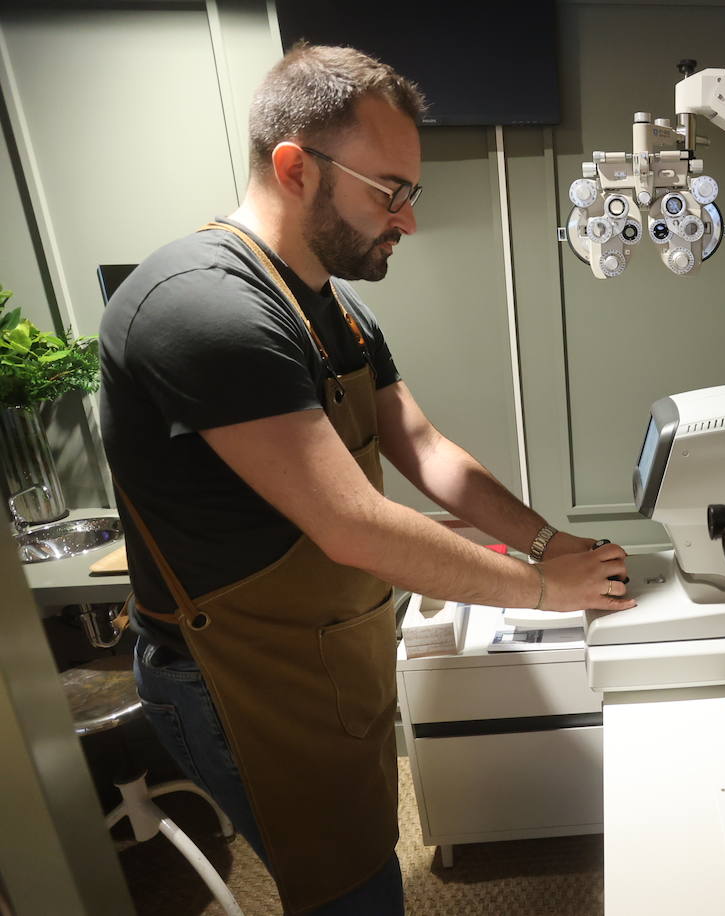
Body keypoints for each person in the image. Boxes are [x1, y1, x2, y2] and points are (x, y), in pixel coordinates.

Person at [99, 44, 634, 915]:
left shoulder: (336, 307)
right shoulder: (203, 307)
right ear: (294, 167)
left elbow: (423, 446)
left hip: (321, 647)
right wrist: (540, 586)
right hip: (239, 678)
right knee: (352, 891)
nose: (408, 220)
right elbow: (354, 524)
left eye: (408, 194)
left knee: (365, 856)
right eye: (390, 191)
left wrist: (550, 540)